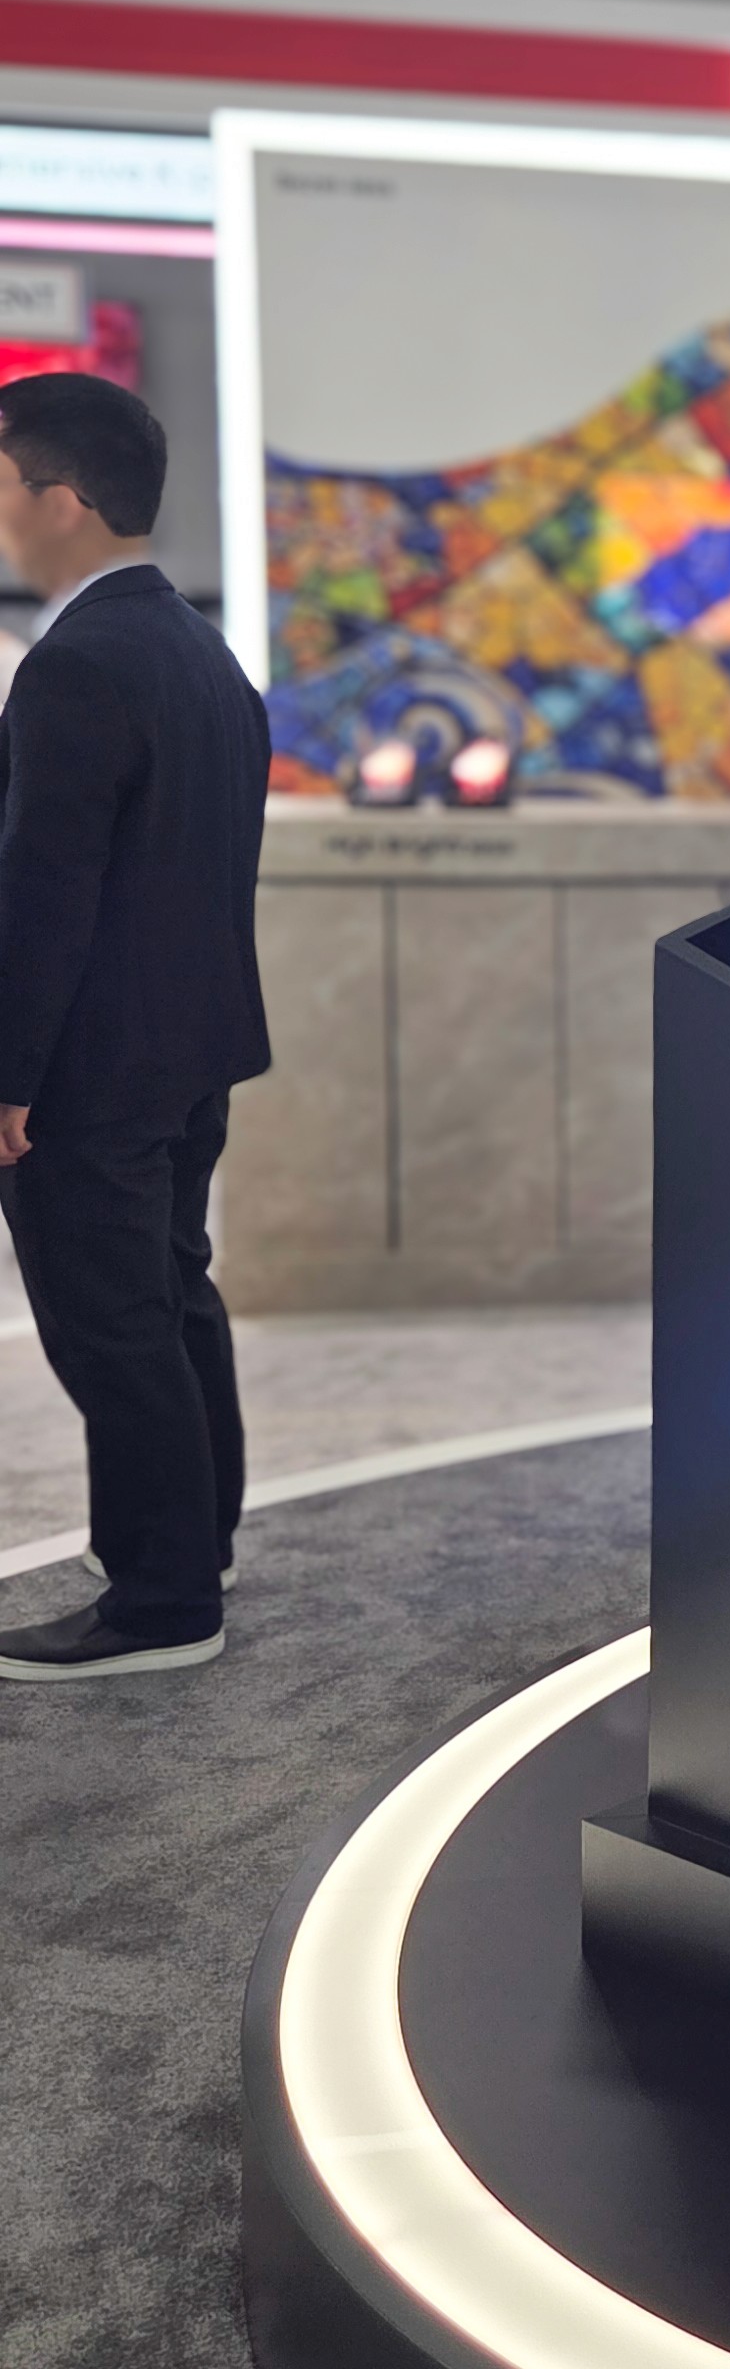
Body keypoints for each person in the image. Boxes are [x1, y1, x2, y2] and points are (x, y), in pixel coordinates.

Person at [0, 374, 270, 1679]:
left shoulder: (77, 664)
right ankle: (196, 1541)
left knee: (111, 1320)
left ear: (63, 498)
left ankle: (162, 1603)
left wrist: (9, 1072)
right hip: (189, 1046)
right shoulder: (197, 650)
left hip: (93, 1063)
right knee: (169, 1293)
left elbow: (44, 891)